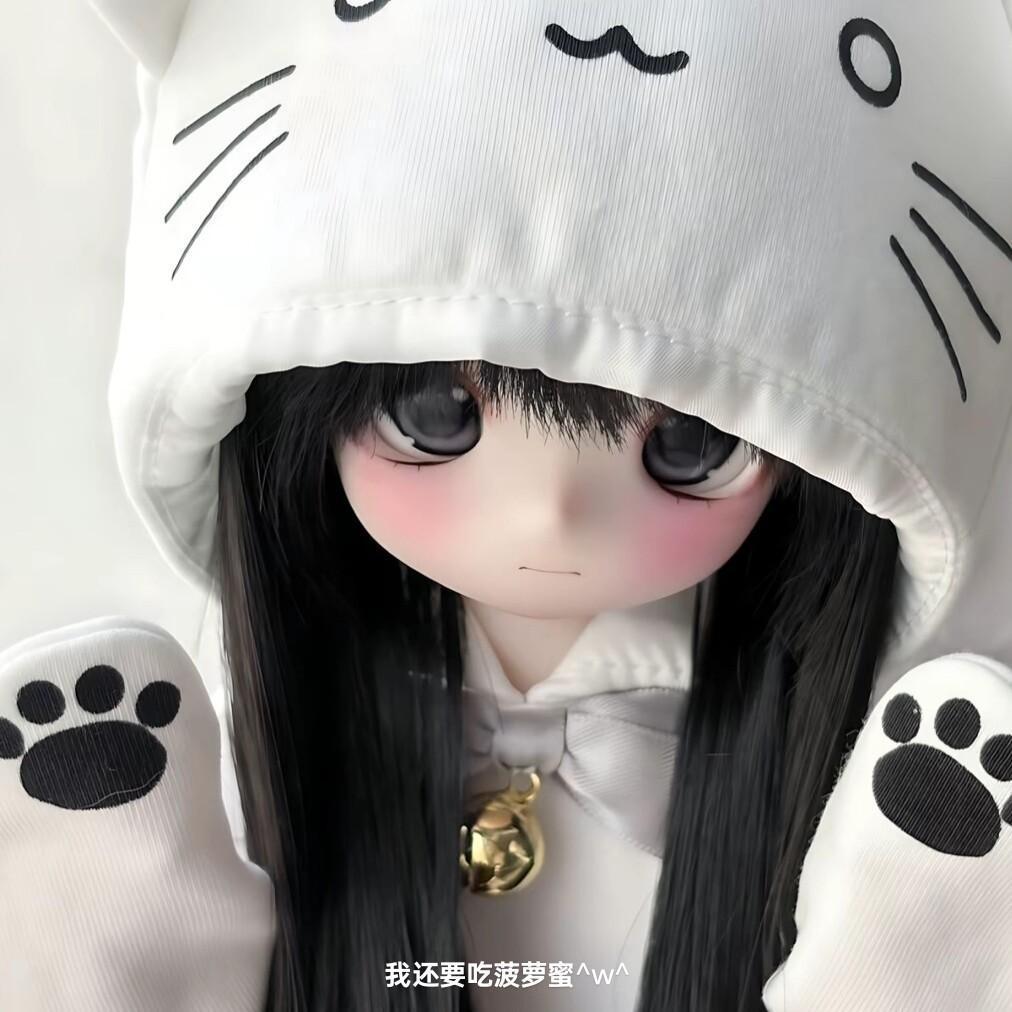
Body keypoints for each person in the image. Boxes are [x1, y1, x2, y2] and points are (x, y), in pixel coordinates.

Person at [2, 0, 1012, 1009]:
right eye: (434, 417)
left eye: (690, 449)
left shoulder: (796, 726)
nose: (549, 517)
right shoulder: (289, 699)